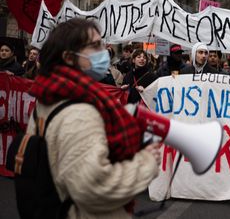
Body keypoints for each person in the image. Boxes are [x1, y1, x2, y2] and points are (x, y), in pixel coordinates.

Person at [27, 18, 160, 218]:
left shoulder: (48, 98)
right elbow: (97, 187)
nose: (104, 50)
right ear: (70, 58)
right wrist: (146, 162)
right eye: (96, 46)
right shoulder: (79, 112)